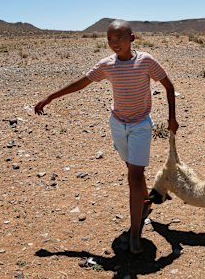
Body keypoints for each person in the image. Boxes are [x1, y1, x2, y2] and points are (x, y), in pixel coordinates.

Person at [35, 19, 179, 254]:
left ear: (132, 38)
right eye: (110, 40)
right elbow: (82, 83)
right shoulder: (108, 65)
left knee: (134, 175)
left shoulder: (146, 61)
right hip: (118, 125)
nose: (115, 43)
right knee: (133, 170)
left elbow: (169, 86)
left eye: (120, 38)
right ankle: (146, 204)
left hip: (141, 125)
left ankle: (135, 234)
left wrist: (172, 117)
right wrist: (51, 97)